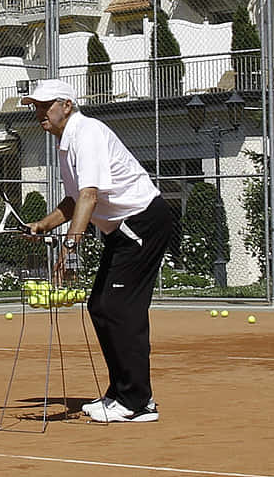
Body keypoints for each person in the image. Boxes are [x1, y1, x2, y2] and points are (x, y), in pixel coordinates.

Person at [20, 77, 179, 424]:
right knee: (102, 306)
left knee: (121, 309)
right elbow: (75, 200)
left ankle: (136, 401)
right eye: (36, 106)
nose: (39, 112)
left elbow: (90, 197)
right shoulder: (67, 142)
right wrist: (44, 224)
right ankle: (124, 394)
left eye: (46, 105)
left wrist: (70, 246)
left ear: (67, 105)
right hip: (125, 229)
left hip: (141, 223)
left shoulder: (86, 133)